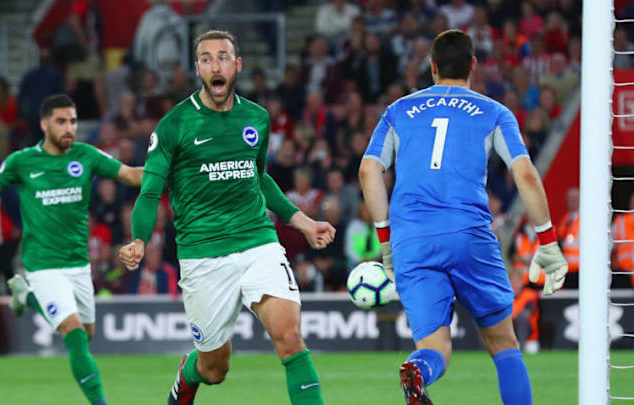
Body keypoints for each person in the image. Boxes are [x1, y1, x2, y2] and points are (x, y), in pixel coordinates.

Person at [118, 30, 335, 405]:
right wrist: (139, 238)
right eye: (206, 58)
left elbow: (259, 177)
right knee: (215, 369)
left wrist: (303, 221)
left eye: (222, 57)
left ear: (236, 65)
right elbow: (151, 191)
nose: (214, 65)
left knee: (289, 337)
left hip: (258, 243)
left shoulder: (256, 118)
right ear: (198, 68)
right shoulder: (175, 124)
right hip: (203, 255)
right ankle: (189, 373)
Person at [359, 30, 568, 405]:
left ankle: (419, 371)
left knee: (435, 347)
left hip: (413, 239)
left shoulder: (398, 111)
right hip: (468, 234)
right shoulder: (494, 112)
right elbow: (525, 174)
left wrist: (387, 241)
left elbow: (368, 171)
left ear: (432, 66)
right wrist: (548, 242)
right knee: (504, 343)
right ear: (473, 65)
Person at [0, 94, 143, 405]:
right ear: (45, 124)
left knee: (85, 335)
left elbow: (130, 174)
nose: (69, 127)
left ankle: (27, 298)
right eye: (61, 121)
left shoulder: (86, 155)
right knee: (73, 335)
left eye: (73, 121)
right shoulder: (23, 162)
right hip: (43, 264)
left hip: (78, 264)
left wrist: (172, 169)